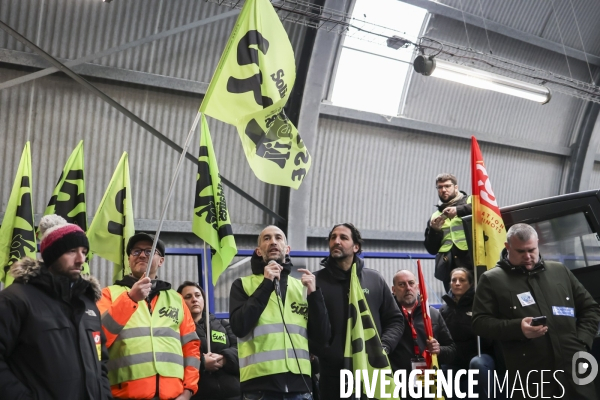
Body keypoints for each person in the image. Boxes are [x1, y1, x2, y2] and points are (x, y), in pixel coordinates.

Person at [472, 223, 600, 399]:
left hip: (575, 369)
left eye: (531, 250)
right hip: (532, 377)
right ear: (507, 247)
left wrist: (582, 342)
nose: (527, 256)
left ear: (538, 243)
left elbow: (590, 308)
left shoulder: (559, 271)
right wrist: (518, 329)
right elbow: (479, 323)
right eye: (520, 251)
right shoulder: (492, 280)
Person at [0, 214, 112, 399]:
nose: (80, 259)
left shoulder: (88, 304)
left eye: (84, 251)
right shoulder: (16, 299)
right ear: (52, 254)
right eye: (71, 251)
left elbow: (100, 360)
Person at [229, 225, 330, 400]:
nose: (273, 242)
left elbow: (323, 338)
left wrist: (315, 296)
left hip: (300, 387)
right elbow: (239, 326)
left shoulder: (302, 288)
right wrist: (266, 284)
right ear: (259, 251)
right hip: (259, 387)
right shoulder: (242, 285)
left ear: (287, 249)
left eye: (278, 238)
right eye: (266, 238)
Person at [98, 233, 200, 399]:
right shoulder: (108, 294)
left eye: (149, 251)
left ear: (161, 261)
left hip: (174, 396)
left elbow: (191, 348)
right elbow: (99, 339)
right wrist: (130, 299)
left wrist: (188, 391)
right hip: (124, 396)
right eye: (136, 251)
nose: (142, 254)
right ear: (129, 259)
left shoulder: (177, 299)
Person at [312, 223, 404, 400]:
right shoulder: (315, 281)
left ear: (356, 247)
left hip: (373, 372)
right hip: (334, 376)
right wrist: (328, 353)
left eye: (343, 237)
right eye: (333, 237)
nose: (336, 241)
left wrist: (382, 347)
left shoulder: (374, 279)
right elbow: (308, 327)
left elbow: (395, 319)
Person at [388, 269, 456, 394]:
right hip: (397, 385)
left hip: (428, 385)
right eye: (402, 284)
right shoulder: (386, 316)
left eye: (411, 283)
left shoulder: (433, 315)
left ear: (418, 287)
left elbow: (452, 350)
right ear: (393, 289)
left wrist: (439, 350)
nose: (408, 288)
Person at [440, 267, 498, 399]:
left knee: (477, 364)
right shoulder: (444, 310)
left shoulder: (480, 305)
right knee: (438, 371)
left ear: (471, 283)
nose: (457, 283)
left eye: (462, 280)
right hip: (454, 360)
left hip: (480, 355)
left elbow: (489, 338)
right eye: (453, 280)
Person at [177, 281, 240, 400]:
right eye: (188, 297)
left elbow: (241, 351)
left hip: (233, 394)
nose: (194, 299)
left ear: (203, 299)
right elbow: (175, 359)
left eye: (197, 295)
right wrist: (202, 363)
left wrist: (225, 359)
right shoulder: (176, 330)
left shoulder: (223, 325)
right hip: (199, 394)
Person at [424, 173, 473, 292]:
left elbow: (486, 209)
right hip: (448, 266)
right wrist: (434, 231)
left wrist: (459, 210)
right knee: (453, 303)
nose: (443, 190)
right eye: (439, 187)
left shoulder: (472, 200)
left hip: (470, 262)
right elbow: (431, 249)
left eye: (447, 186)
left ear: (456, 187)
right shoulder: (435, 216)